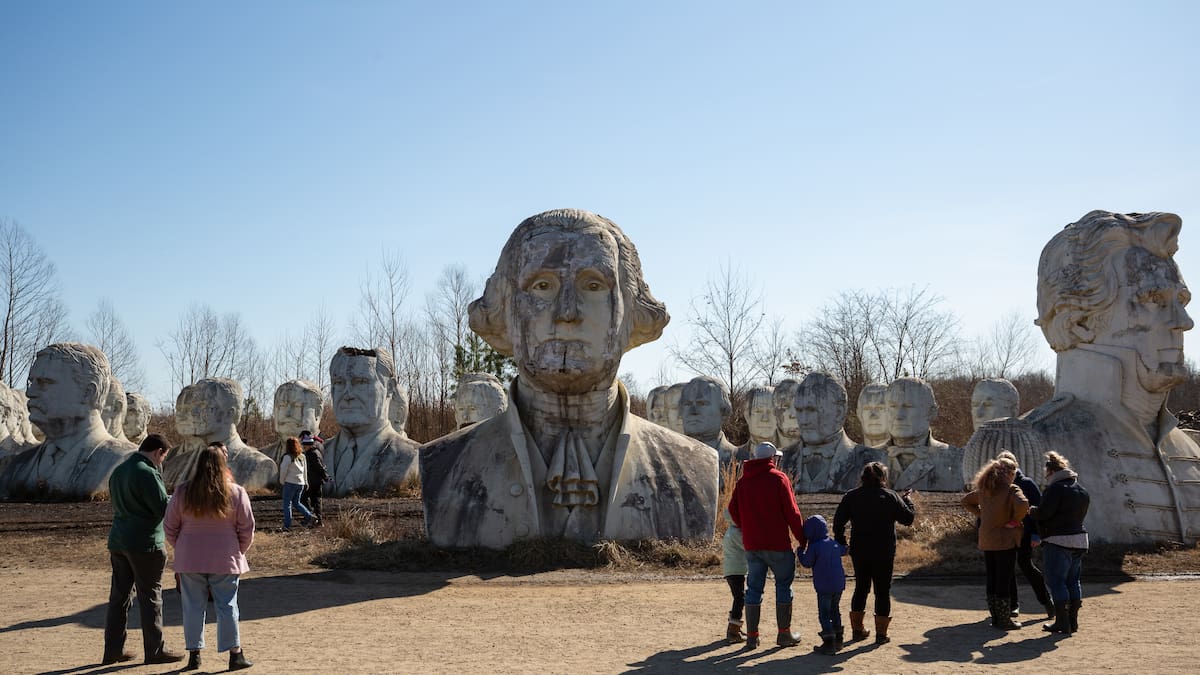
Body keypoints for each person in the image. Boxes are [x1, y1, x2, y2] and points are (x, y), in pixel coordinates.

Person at [419, 209, 719, 548]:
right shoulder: (443, 466)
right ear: (505, 312)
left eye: (593, 285)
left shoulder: (692, 468)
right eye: (542, 286)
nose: (566, 312)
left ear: (631, 314)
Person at [164, 445, 255, 671]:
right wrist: (238, 550)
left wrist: (183, 546)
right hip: (225, 557)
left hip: (190, 558)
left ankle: (194, 654)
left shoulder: (183, 491)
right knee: (227, 605)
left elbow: (169, 526)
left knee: (192, 606)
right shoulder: (236, 492)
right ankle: (235, 654)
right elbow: (247, 529)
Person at [102, 434, 184, 665]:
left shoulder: (120, 470)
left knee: (119, 597)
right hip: (145, 543)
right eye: (163, 457)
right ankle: (155, 650)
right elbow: (162, 508)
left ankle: (112, 650)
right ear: (159, 452)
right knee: (151, 597)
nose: (162, 462)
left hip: (119, 540)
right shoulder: (147, 473)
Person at [727, 442, 806, 649]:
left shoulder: (743, 482)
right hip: (778, 544)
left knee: (753, 589)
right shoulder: (779, 479)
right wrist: (802, 538)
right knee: (783, 586)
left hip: (753, 545)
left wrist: (747, 527)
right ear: (773, 459)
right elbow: (792, 512)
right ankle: (784, 634)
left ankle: (752, 636)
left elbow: (732, 509)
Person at [832, 462, 915, 644]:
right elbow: (908, 519)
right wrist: (908, 501)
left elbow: (838, 523)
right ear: (883, 477)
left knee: (861, 588)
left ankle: (858, 630)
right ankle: (881, 634)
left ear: (863, 477)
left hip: (859, 550)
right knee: (882, 591)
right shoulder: (890, 496)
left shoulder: (852, 496)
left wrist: (841, 541)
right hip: (884, 550)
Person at [961, 456, 1029, 630]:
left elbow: (966, 501)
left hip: (987, 538)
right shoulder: (1011, 489)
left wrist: (983, 515)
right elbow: (1023, 504)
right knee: (1004, 579)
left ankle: (995, 616)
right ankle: (1005, 620)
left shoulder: (985, 489)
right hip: (1005, 539)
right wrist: (1015, 520)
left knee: (991, 577)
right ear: (1010, 473)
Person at [1032, 451, 1090, 634]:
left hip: (1058, 540)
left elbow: (1045, 513)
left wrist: (1033, 511)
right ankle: (1073, 621)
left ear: (1050, 472)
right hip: (1080, 540)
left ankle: (1062, 622)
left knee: (1056, 582)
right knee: (1073, 581)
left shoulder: (1055, 488)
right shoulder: (1081, 489)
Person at [996, 450, 1054, 620]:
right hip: (1005, 535)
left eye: (1006, 468)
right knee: (1007, 570)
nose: (1003, 471)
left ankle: (1046, 600)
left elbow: (1039, 510)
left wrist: (1037, 534)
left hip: (1025, 534)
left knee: (1026, 565)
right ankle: (1013, 606)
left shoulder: (1027, 484)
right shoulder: (999, 485)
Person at [798, 514, 847, 654]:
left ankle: (829, 642)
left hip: (824, 587)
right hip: (838, 585)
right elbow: (844, 550)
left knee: (824, 614)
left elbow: (807, 563)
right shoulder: (833, 543)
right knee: (835, 611)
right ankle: (839, 640)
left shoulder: (814, 547)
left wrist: (800, 552)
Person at [277, 437, 314, 531]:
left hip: (290, 482)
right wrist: (306, 482)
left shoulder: (287, 457)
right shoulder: (302, 456)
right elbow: (305, 471)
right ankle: (310, 516)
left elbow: (283, 470)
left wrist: (282, 481)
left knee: (287, 504)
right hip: (300, 483)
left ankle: (287, 525)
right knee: (296, 502)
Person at [300, 431, 329, 525]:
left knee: (308, 499)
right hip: (314, 480)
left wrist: (325, 476)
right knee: (314, 500)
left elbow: (319, 466)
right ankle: (315, 518)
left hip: (314, 481)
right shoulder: (315, 452)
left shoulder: (312, 454)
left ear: (309, 445)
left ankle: (313, 517)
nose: (304, 446)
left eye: (305, 445)